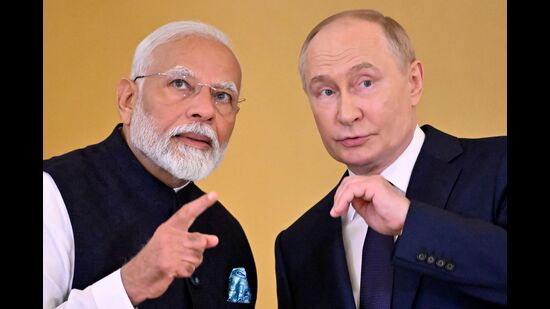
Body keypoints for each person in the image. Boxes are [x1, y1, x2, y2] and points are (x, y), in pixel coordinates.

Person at [275, 9, 506, 308]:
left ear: (413, 82)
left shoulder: (498, 168)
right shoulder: (298, 244)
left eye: (366, 83)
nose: (347, 114)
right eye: (326, 91)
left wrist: (412, 222)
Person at [43, 21, 257, 308]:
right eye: (180, 83)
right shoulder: (52, 193)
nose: (205, 110)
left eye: (222, 96)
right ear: (129, 100)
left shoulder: (228, 235)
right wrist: (128, 285)